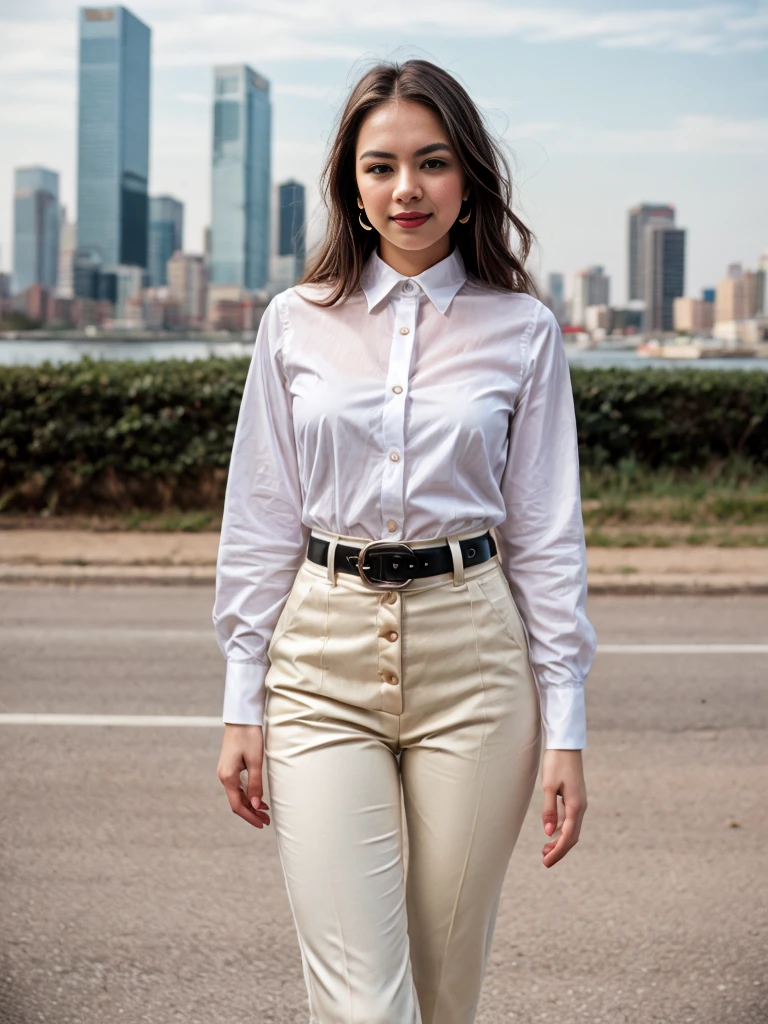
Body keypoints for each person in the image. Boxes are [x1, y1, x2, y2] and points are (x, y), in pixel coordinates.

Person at [212, 57, 597, 1024]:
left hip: (476, 664)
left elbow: (547, 539)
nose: (407, 189)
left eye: (431, 163)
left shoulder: (524, 329)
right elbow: (260, 518)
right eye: (380, 166)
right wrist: (239, 700)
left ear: (467, 177)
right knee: (363, 1001)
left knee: (443, 988)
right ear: (351, 182)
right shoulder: (294, 323)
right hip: (319, 663)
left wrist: (568, 726)